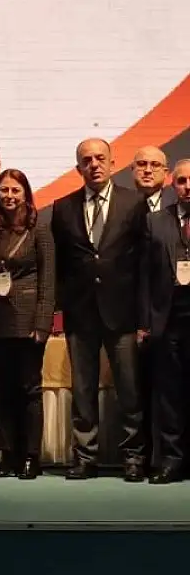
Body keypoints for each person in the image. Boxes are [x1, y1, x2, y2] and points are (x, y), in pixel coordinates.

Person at [51, 138, 146, 481]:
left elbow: (144, 263)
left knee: (129, 390)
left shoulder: (134, 203)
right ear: (78, 168)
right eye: (87, 160)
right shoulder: (63, 208)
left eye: (100, 158)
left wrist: (143, 317)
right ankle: (84, 457)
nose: (94, 164)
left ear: (112, 162)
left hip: (123, 314)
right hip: (81, 314)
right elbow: (60, 265)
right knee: (83, 391)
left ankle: (134, 457)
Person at [0, 169, 54, 480]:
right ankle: (7, 456)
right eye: (4, 190)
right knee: (4, 390)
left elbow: (48, 280)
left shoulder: (39, 229)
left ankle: (31, 457)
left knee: (29, 389)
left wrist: (43, 323)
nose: (9, 196)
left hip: (28, 320)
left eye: (15, 190)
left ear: (25, 194)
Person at [137, 158, 190, 484]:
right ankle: (172, 460)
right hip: (168, 320)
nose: (188, 187)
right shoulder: (156, 221)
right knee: (169, 396)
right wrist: (144, 322)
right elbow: (144, 276)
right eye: (182, 181)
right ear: (173, 184)